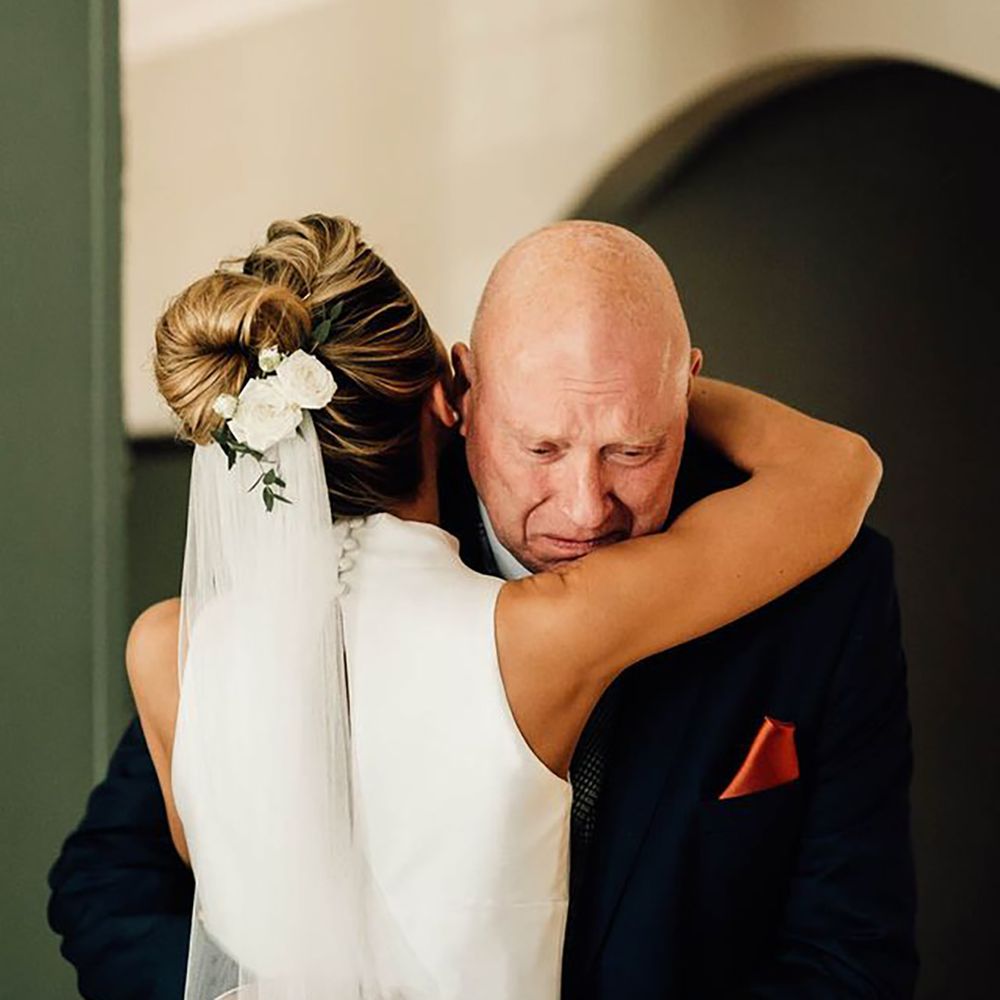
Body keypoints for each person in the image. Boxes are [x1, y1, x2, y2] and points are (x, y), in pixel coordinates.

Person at [45, 217, 910, 999]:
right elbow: (110, 887)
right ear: (455, 394)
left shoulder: (172, 647)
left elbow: (849, 961)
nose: (585, 507)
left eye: (634, 445)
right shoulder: (542, 632)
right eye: (541, 444)